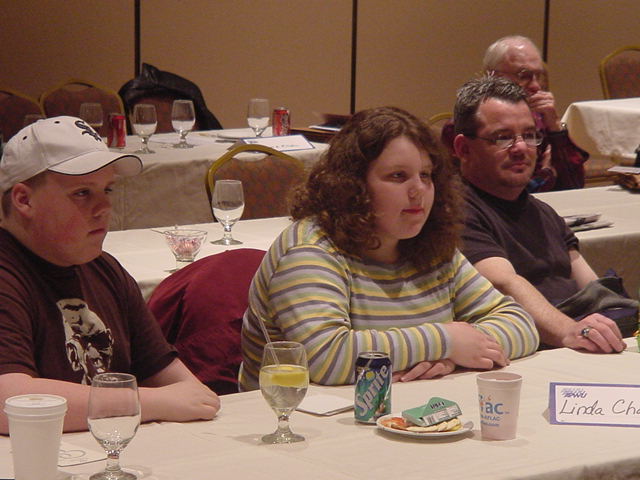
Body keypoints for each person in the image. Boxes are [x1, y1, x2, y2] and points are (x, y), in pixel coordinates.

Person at [238, 106, 539, 391]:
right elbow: (325, 359)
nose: (418, 190)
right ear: (353, 185)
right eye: (398, 176)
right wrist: (445, 340)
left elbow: (520, 324)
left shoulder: (434, 246)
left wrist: (451, 356)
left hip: (408, 410)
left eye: (426, 175)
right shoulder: (310, 250)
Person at [0, 116, 220, 433]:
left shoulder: (105, 269)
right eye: (82, 193)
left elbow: (186, 390)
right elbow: (10, 401)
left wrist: (173, 399)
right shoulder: (8, 274)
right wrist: (147, 402)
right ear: (24, 200)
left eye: (108, 189)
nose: (104, 206)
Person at [452, 75, 629, 354]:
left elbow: (594, 289)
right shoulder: (455, 212)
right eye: (503, 137)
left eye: (529, 135)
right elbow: (502, 284)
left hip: (575, 344)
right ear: (463, 148)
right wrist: (571, 331)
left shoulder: (543, 212)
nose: (521, 148)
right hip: (529, 353)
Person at [441, 35, 588, 192]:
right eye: (524, 76)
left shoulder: (542, 121)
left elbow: (574, 186)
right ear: (492, 76)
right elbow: (503, 191)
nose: (536, 86)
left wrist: (556, 127)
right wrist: (547, 174)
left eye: (539, 76)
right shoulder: (463, 129)